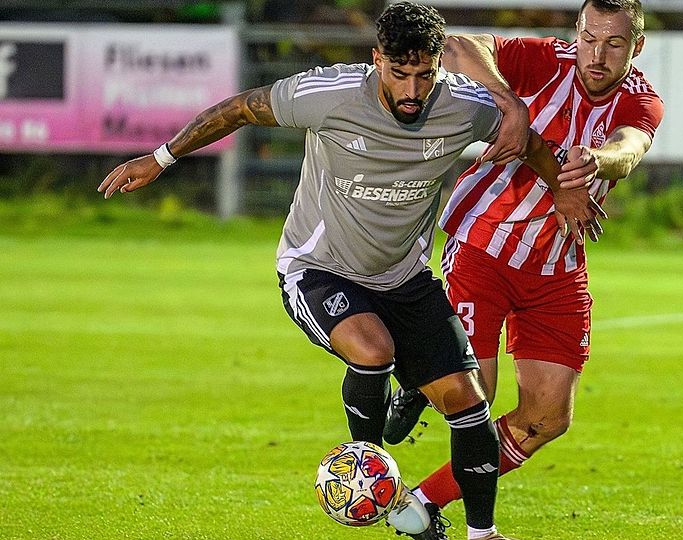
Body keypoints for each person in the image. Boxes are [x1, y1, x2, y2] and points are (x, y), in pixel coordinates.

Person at [97, 3, 598, 539]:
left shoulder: (464, 106)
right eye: (399, 73)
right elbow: (240, 108)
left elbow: (531, 144)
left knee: (469, 403)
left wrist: (563, 190)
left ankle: (482, 533)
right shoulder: (329, 94)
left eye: (425, 75)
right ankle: (371, 477)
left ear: (438, 66)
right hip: (319, 269)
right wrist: (161, 158)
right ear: (377, 59)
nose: (412, 90)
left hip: (404, 280)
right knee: (373, 349)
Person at [382, 0, 665, 514]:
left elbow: (629, 149)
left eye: (614, 43)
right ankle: (418, 374)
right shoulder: (546, 60)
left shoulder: (640, 99)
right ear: (576, 32)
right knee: (477, 395)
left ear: (637, 47)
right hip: (484, 246)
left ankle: (419, 505)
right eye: (589, 39)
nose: (597, 55)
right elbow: (457, 45)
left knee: (548, 416)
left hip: (556, 267)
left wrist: (595, 161)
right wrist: (510, 105)